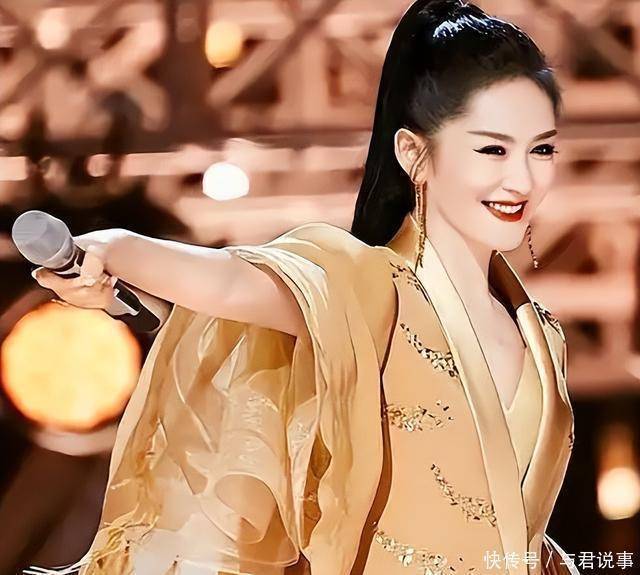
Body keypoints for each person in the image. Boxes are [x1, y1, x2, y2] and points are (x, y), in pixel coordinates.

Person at [24, 1, 580, 574]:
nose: (521, 179)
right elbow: (233, 282)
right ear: (414, 153)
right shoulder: (368, 285)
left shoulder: (543, 334)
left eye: (541, 149)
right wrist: (115, 249)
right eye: (492, 149)